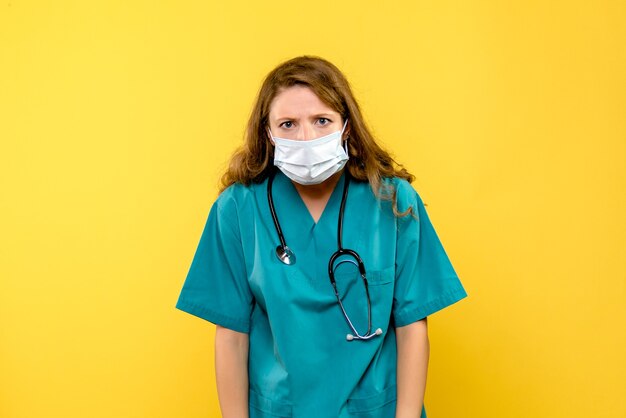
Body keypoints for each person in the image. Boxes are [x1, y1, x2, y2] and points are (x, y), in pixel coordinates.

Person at [175, 55, 468, 418]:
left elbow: (412, 325)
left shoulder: (393, 203)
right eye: (288, 124)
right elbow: (231, 335)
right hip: (281, 410)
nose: (306, 138)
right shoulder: (237, 209)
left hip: (374, 409)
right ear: (268, 133)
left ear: (346, 126)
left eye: (321, 120)